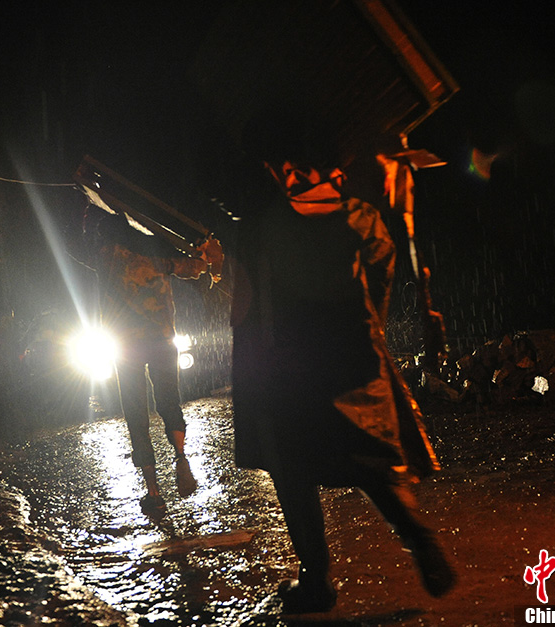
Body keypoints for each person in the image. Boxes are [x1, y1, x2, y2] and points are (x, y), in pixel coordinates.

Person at [227, 120, 456, 613]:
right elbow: (381, 289)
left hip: (287, 364)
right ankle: (422, 543)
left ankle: (317, 582)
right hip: (354, 355)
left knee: (294, 471)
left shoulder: (264, 226)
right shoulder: (361, 217)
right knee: (371, 459)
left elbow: (246, 307)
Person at [69, 207, 209, 517]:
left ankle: (154, 492)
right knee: (169, 403)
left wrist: (85, 215)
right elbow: (194, 267)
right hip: (161, 339)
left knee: (136, 415)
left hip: (126, 344)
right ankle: (182, 459)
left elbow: (74, 251)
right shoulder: (156, 255)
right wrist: (202, 256)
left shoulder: (105, 258)